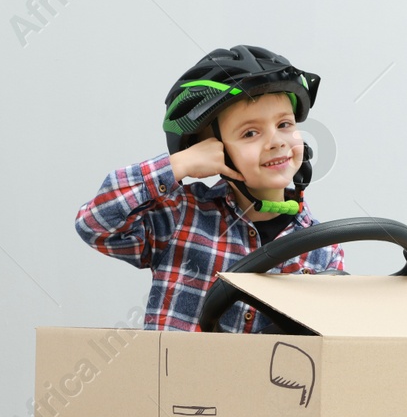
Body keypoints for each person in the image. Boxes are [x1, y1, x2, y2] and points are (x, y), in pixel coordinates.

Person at [75, 45, 344, 332]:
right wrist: (178, 165)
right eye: (250, 133)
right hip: (178, 376)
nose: (277, 141)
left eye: (284, 124)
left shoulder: (323, 249)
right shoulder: (180, 217)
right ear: (212, 149)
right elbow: (96, 225)